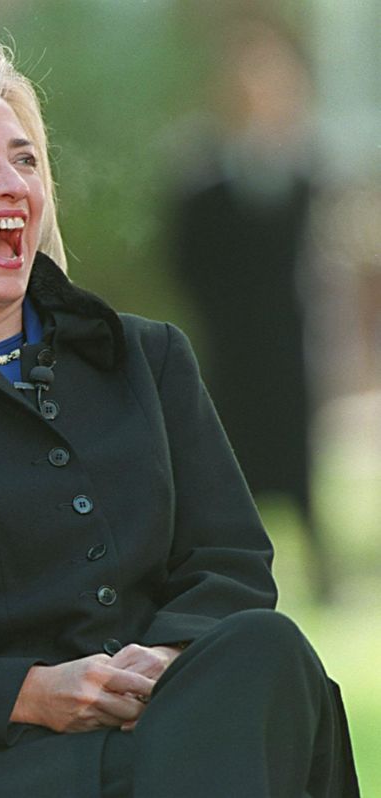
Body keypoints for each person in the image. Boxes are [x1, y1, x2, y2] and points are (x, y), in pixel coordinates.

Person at [0, 38, 357, 797]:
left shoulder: (146, 358)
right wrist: (34, 694)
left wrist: (158, 666)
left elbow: (230, 565)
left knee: (268, 648)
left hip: (181, 726)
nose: (11, 184)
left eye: (25, 160)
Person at [169, 18, 331, 602]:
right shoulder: (203, 171)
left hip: (290, 340)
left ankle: (321, 567)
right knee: (230, 455)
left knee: (299, 455)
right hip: (231, 343)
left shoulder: (303, 170)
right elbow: (185, 259)